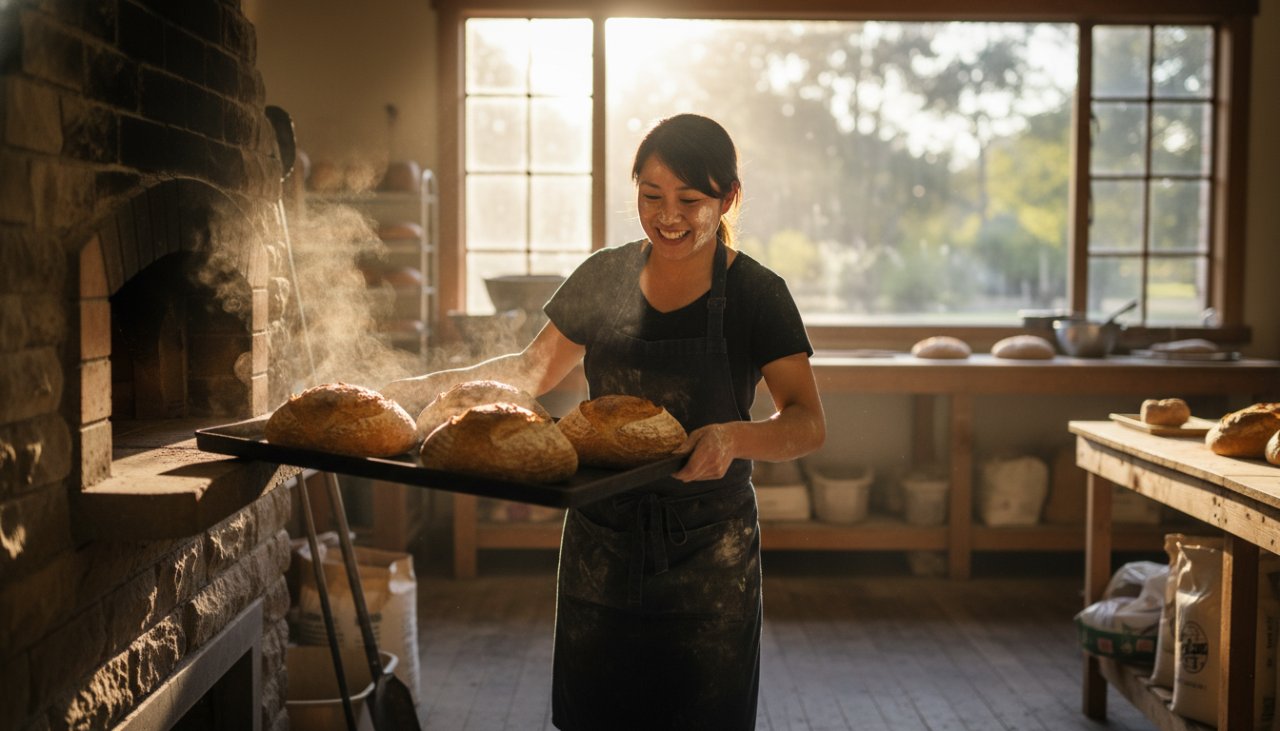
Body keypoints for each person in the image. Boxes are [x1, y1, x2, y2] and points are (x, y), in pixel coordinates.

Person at [382, 113, 825, 730]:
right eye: (650, 196)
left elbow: (806, 423)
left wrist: (734, 437)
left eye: (689, 200)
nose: (667, 216)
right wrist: (417, 392)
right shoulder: (605, 275)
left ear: (729, 198)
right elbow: (531, 369)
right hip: (602, 542)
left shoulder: (757, 294)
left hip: (708, 549)